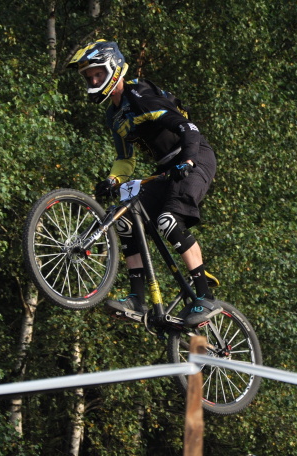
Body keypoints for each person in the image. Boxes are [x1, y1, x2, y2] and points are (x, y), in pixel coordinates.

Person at [67, 40, 222, 328]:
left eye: (98, 74)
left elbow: (188, 128)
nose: (94, 81)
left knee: (168, 220)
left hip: (195, 156)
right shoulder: (114, 116)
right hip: (166, 168)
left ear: (114, 68)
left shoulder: (140, 96)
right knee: (125, 219)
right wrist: (112, 179)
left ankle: (205, 296)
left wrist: (188, 161)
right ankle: (137, 299)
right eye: (89, 77)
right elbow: (125, 159)